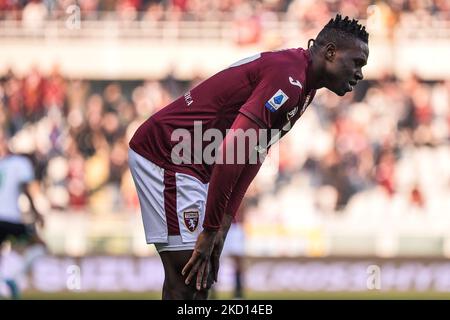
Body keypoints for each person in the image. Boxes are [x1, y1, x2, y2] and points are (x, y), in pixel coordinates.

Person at [128, 14, 369, 299]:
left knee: (193, 283)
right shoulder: (288, 79)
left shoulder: (303, 86)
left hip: (193, 164)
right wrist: (211, 226)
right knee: (190, 279)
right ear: (330, 52)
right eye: (357, 62)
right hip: (168, 155)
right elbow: (233, 150)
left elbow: (253, 151)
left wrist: (226, 218)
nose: (360, 74)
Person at [0, 131, 46, 299]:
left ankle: (3, 283)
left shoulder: (3, 163)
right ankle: (10, 278)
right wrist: (37, 213)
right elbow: (28, 190)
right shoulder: (22, 163)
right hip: (11, 218)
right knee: (40, 245)